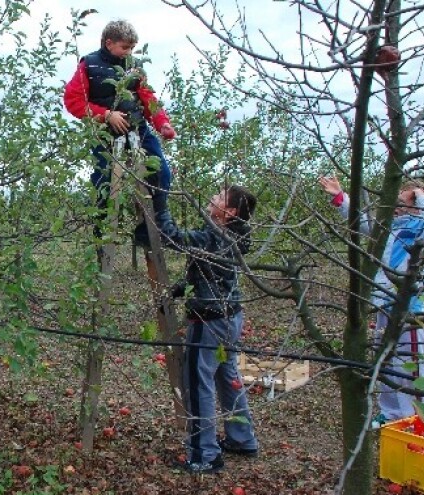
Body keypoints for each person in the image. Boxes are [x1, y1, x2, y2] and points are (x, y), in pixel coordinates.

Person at [153, 185, 259, 474]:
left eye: (221, 196)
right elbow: (207, 270)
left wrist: (159, 204)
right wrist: (181, 288)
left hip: (209, 320)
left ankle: (205, 454)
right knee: (228, 377)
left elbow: (171, 237)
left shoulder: (216, 236)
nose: (214, 196)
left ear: (230, 212)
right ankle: (242, 439)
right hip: (230, 316)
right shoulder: (230, 236)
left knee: (198, 383)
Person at [319, 177, 424, 426]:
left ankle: (420, 419)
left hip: (410, 309)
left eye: (403, 200)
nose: (396, 205)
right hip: (384, 302)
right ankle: (392, 414)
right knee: (384, 360)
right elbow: (362, 223)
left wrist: (421, 197)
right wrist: (341, 198)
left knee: (411, 365)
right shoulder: (390, 226)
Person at [64, 19, 177, 247]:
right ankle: (102, 234)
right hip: (105, 133)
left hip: (137, 128)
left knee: (161, 173)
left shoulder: (134, 67)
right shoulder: (90, 65)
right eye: (125, 47)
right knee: (103, 182)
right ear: (109, 43)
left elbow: (147, 98)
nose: (129, 52)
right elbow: (73, 100)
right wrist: (106, 115)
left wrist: (162, 122)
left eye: (132, 48)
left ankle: (154, 225)